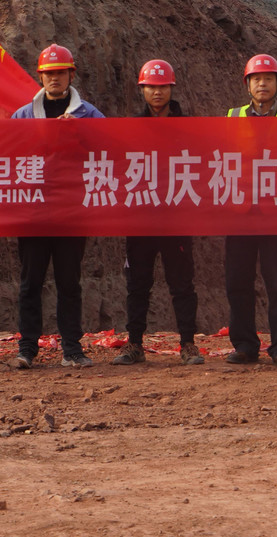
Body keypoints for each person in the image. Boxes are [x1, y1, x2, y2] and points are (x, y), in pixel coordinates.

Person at [10, 43, 104, 368]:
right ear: (40, 76)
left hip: (71, 214)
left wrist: (78, 135)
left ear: (71, 75)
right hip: (33, 213)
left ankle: (72, 349)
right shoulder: (23, 116)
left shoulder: (89, 115)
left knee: (69, 283)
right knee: (30, 284)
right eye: (49, 73)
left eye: (60, 73)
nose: (54, 78)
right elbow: (7, 154)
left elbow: (109, 148)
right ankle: (26, 349)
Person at [116, 59, 202, 367]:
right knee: (137, 284)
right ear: (142, 89)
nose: (157, 92)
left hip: (176, 218)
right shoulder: (130, 127)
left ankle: (188, 344)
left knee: (182, 284)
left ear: (171, 89)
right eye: (151, 87)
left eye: (162, 86)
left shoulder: (189, 127)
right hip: (141, 218)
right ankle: (135, 344)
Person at [224, 53, 277, 365]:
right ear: (247, 85)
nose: (262, 84)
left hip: (276, 214)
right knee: (238, 282)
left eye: (268, 78)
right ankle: (245, 345)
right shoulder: (231, 117)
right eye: (256, 79)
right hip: (240, 212)